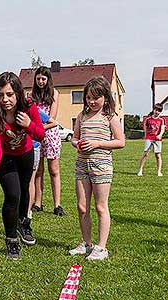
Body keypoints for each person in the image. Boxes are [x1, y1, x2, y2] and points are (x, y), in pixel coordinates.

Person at [0, 71, 45, 259]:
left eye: (9, 94)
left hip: (25, 155)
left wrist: (28, 125)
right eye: (0, 95)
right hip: (5, 158)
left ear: (17, 93)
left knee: (25, 192)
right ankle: (11, 241)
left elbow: (40, 135)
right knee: (12, 195)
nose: (5, 99)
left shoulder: (29, 108)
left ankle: (23, 223)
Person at [69, 76, 125, 260]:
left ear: (106, 98)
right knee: (82, 206)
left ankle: (101, 248)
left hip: (101, 166)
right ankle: (86, 244)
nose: (92, 101)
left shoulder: (110, 117)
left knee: (101, 207)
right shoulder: (81, 116)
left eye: (96, 98)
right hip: (82, 165)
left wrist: (97, 143)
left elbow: (120, 142)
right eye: (88, 98)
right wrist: (78, 144)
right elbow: (74, 138)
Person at [32, 66, 66, 216]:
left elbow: (53, 120)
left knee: (54, 170)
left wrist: (39, 127)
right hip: (36, 136)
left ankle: (57, 205)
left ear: (48, 80)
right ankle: (38, 203)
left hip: (50, 135)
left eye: (43, 79)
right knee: (38, 170)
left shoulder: (54, 93)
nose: (40, 81)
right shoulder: (31, 95)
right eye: (38, 79)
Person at [22, 108, 57, 245]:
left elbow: (53, 122)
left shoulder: (33, 109)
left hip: (33, 147)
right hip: (16, 148)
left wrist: (37, 127)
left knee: (30, 180)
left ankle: (27, 211)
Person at [137, 103, 165, 176]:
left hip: (157, 139)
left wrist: (160, 135)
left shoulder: (161, 120)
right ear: (153, 110)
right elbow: (145, 127)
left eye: (159, 111)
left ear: (160, 111)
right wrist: (146, 135)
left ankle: (159, 172)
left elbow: (162, 129)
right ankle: (140, 170)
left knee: (158, 155)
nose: (157, 112)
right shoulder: (148, 119)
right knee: (145, 154)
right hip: (149, 138)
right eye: (156, 110)